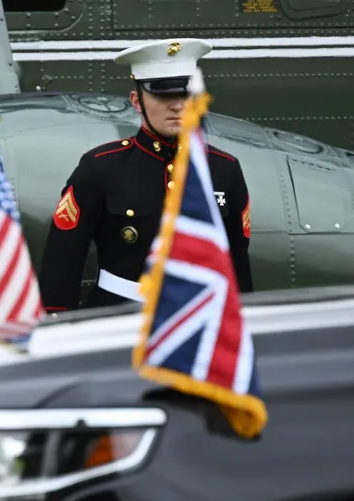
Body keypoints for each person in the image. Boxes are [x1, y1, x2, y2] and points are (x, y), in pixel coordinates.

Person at [37, 38, 254, 313]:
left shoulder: (224, 170)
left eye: (186, 94)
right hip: (119, 319)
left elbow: (237, 265)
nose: (177, 106)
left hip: (200, 319)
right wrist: (58, 327)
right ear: (136, 101)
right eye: (163, 95)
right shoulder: (101, 168)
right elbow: (63, 260)